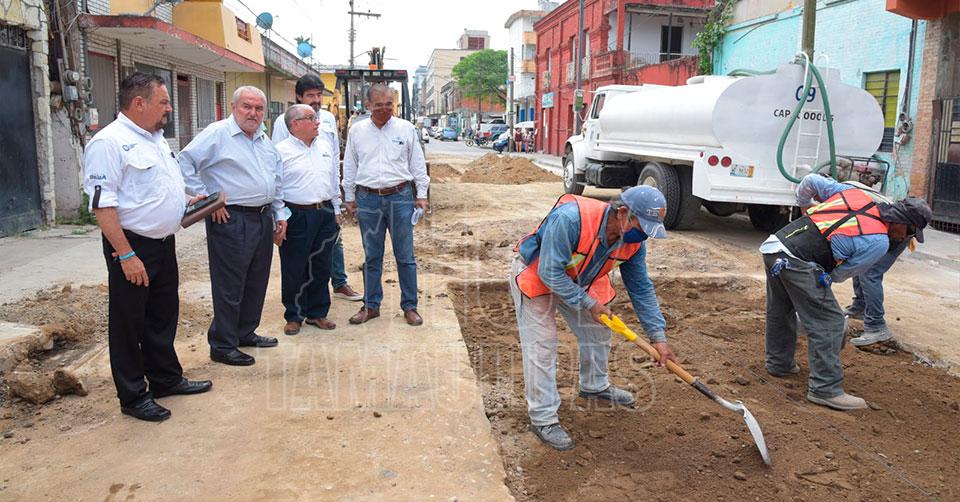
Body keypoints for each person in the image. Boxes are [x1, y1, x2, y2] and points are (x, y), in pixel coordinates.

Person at [82, 73, 212, 422]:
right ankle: (133, 396)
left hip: (164, 244)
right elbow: (103, 206)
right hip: (131, 246)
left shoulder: (154, 138)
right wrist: (126, 255)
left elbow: (156, 186)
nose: (169, 108)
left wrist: (186, 199)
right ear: (139, 103)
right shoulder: (108, 143)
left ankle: (165, 379)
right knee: (129, 323)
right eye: (164, 102)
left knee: (162, 315)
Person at [510, 186, 679, 451]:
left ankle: (594, 386)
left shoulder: (634, 243)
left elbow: (641, 288)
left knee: (599, 331)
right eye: (642, 227)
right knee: (542, 345)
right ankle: (543, 419)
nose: (644, 235)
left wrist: (658, 337)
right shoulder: (570, 219)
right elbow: (550, 272)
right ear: (622, 213)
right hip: (539, 274)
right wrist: (589, 303)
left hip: (580, 278)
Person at [760, 174, 932, 410]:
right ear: (902, 222)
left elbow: (810, 180)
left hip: (776, 247)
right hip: (799, 261)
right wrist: (820, 283)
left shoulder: (855, 195)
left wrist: (804, 206)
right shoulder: (878, 242)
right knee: (830, 322)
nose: (905, 238)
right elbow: (841, 274)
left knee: (781, 309)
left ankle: (779, 364)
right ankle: (825, 389)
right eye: (910, 232)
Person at [179, 86, 287, 366]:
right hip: (231, 218)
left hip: (262, 216)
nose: (253, 113)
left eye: (259, 108)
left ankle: (244, 332)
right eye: (247, 107)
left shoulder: (263, 139)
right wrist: (208, 200)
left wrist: (280, 214)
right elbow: (183, 163)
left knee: (256, 279)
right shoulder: (218, 134)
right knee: (230, 284)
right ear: (234, 107)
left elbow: (276, 179)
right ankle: (223, 344)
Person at [342, 83, 430, 326]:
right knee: (372, 255)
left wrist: (422, 194)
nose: (385, 109)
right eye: (379, 105)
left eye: (389, 105)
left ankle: (410, 306)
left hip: (400, 197)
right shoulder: (357, 131)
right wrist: (349, 196)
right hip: (368, 199)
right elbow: (350, 164)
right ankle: (371, 305)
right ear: (368, 105)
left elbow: (417, 163)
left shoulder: (406, 128)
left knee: (405, 255)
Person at [271, 74, 363, 303]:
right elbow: (277, 164)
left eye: (319, 95)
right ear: (299, 97)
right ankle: (297, 306)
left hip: (324, 198)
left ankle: (338, 284)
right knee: (298, 258)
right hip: (298, 204)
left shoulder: (328, 119)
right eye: (310, 95)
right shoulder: (284, 121)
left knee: (330, 248)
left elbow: (333, 158)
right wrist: (279, 212)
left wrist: (336, 201)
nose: (316, 99)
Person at [274, 104, 342, 335]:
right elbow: (276, 188)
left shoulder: (324, 146)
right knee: (294, 266)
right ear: (295, 124)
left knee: (321, 265)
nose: (317, 122)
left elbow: (333, 180)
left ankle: (317, 313)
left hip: (324, 213)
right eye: (311, 118)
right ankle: (294, 315)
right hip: (296, 214)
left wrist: (336, 209)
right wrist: (279, 217)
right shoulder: (280, 151)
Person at [845, 197, 933, 346]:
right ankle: (861, 306)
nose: (908, 236)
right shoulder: (878, 213)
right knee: (862, 263)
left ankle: (876, 326)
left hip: (894, 235)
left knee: (871, 272)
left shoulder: (900, 230)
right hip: (891, 229)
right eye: (911, 231)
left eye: (912, 232)